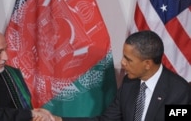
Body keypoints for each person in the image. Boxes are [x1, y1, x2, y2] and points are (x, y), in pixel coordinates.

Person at [54, 30, 191, 121]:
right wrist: (58, 120)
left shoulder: (179, 92)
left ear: (147, 64)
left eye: (128, 60)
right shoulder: (129, 83)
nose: (123, 63)